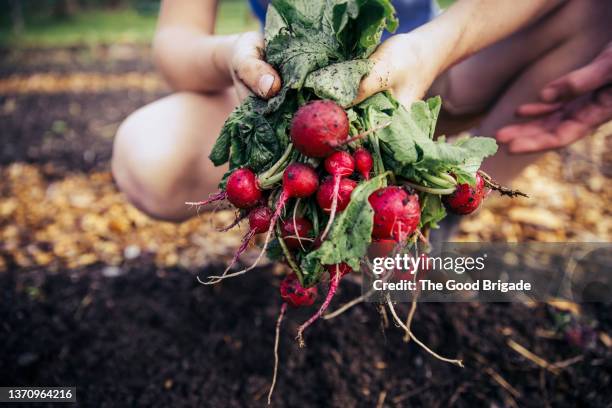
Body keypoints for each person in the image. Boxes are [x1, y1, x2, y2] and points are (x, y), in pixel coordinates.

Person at [112, 0, 612, 222]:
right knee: (151, 156)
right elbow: (174, 43)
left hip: (422, 79)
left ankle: (435, 212)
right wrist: (231, 53)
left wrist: (433, 47)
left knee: (599, 13)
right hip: (280, 99)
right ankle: (307, 219)